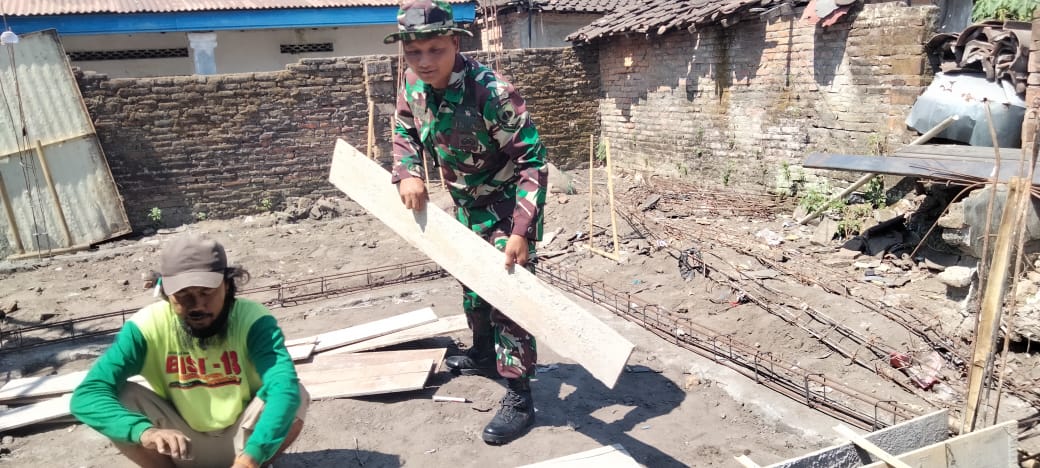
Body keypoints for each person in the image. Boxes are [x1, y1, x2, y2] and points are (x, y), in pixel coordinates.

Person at [385, 0, 548, 445]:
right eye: (413, 53)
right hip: (463, 204)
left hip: (506, 204)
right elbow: (402, 128)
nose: (424, 62)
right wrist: (408, 171)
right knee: (472, 288)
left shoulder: (491, 92)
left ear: (455, 42)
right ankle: (481, 354)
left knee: (508, 300)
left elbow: (533, 161)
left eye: (435, 50)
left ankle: (519, 395)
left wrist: (521, 230)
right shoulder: (411, 83)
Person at [71, 233, 307, 468]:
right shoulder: (146, 327)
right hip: (183, 447)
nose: (197, 306)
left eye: (206, 292)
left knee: (293, 393)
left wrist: (253, 455)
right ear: (165, 291)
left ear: (227, 284)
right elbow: (87, 395)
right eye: (183, 296)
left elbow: (283, 386)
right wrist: (145, 433)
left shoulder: (253, 320)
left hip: (244, 438)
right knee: (121, 396)